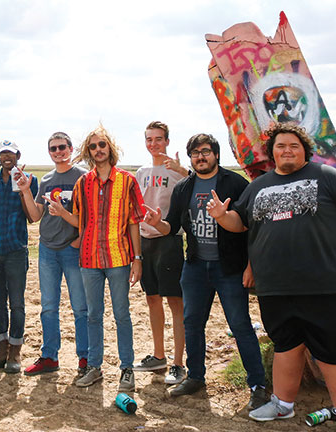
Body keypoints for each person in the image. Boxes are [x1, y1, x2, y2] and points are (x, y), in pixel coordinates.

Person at [207, 123, 336, 431]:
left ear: (304, 150)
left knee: (333, 351)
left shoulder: (328, 177)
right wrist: (220, 216)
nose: (286, 150)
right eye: (280, 146)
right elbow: (239, 223)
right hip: (275, 287)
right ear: (272, 153)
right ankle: (283, 405)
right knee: (286, 346)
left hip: (325, 285)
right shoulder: (258, 186)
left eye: (293, 146)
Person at [143, 133, 268, 408]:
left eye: (205, 151)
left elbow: (252, 229)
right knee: (192, 324)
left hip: (230, 268)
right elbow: (172, 227)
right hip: (196, 266)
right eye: (195, 153)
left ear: (216, 155)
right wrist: (157, 223)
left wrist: (250, 267)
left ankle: (258, 385)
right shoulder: (184, 188)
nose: (201, 157)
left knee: (240, 326)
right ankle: (196, 377)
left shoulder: (235, 183)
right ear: (190, 159)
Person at [48, 125, 145, 392]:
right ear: (88, 152)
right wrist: (61, 213)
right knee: (93, 315)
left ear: (109, 148)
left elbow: (135, 222)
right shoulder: (83, 183)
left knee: (122, 314)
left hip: (119, 258)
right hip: (89, 259)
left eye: (102, 145)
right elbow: (80, 220)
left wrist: (137, 258)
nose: (98, 150)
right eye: (93, 146)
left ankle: (127, 369)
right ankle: (94, 366)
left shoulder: (127, 181)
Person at [18, 132, 89, 377]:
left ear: (70, 149)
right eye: (53, 148)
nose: (58, 151)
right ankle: (49, 356)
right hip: (48, 249)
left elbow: (90, 215)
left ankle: (85, 357)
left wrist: (78, 242)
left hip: (72, 249)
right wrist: (26, 191)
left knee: (81, 307)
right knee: (48, 306)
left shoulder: (82, 176)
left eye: (62, 147)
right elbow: (36, 216)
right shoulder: (47, 179)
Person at [133, 121, 188, 385]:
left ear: (167, 141)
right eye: (149, 139)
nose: (154, 144)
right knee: (152, 299)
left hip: (169, 240)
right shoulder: (141, 172)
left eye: (158, 139)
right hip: (146, 242)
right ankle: (159, 356)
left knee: (175, 302)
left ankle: (179, 364)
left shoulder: (177, 171)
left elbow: (197, 184)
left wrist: (182, 169)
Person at [0, 140, 39, 374]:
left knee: (17, 303)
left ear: (17, 156)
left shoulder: (28, 179)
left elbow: (31, 216)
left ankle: (15, 350)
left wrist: (24, 189)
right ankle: (0, 349)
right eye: (3, 153)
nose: (7, 157)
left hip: (15, 248)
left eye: (10, 153)